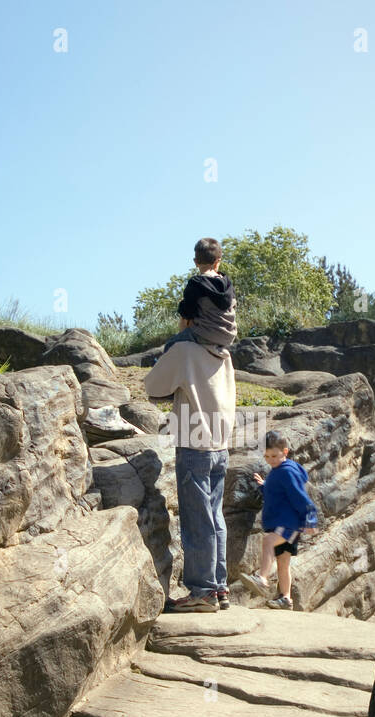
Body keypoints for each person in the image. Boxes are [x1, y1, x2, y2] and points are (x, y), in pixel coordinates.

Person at [144, 238, 238, 612]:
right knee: (215, 517)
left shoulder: (183, 349)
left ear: (189, 317)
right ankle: (219, 588)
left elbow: (153, 387)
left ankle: (201, 594)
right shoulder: (224, 352)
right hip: (220, 441)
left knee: (198, 520)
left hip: (194, 441)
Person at [240, 430, 318, 610]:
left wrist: (310, 519)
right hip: (283, 522)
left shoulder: (286, 472)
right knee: (283, 562)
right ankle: (286, 599)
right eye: (267, 456)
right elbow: (278, 493)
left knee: (268, 541)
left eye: (274, 455)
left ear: (285, 451)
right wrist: (265, 487)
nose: (271, 459)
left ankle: (261, 578)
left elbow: (300, 496)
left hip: (288, 523)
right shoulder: (279, 471)